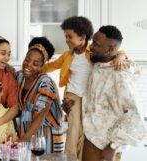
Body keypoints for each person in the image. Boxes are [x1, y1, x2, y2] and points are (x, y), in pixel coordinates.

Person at [41, 16, 127, 160]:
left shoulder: (93, 51)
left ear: (82, 37)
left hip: (89, 97)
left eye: (70, 37)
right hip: (73, 95)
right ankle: (70, 157)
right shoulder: (67, 55)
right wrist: (35, 68)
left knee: (86, 131)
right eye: (66, 37)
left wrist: (121, 57)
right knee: (74, 130)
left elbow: (117, 51)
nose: (67, 40)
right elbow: (51, 66)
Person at [82, 25, 146, 161]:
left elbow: (135, 115)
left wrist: (112, 146)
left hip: (103, 146)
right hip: (90, 139)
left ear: (110, 49)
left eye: (96, 44)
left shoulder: (119, 75)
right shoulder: (100, 64)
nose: (91, 47)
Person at [16, 37, 64, 154]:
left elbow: (41, 115)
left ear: (42, 66)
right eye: (27, 59)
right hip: (26, 130)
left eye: (35, 63)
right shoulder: (20, 77)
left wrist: (24, 140)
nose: (28, 64)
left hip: (45, 135)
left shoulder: (45, 83)